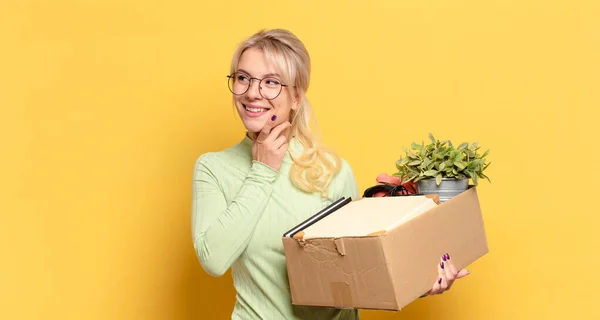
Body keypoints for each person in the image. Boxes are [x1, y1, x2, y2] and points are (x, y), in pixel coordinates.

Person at [191, 28, 470, 320]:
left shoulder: (331, 171)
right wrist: (262, 171)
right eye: (243, 78)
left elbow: (361, 275)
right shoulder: (213, 169)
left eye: (271, 82)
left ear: (296, 96)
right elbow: (214, 259)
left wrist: (422, 278)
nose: (251, 92)